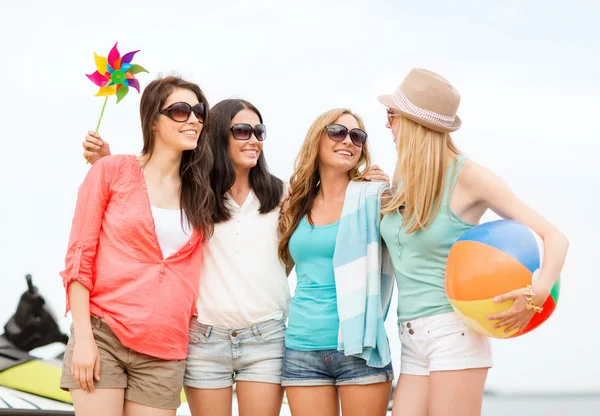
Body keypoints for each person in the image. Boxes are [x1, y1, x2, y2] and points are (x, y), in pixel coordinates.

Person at [378, 68, 569, 416]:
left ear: (415, 123)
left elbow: (555, 237)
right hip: (408, 334)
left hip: (454, 332)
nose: (387, 125)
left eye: (392, 116)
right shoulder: (404, 174)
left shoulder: (469, 176)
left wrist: (537, 293)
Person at [61, 75, 214, 416]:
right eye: (180, 110)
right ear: (153, 121)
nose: (193, 119)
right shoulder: (111, 171)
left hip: (166, 346)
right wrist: (84, 339)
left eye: (198, 110)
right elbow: (79, 257)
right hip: (103, 335)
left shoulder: (201, 191)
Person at [278, 108, 394, 416]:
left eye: (357, 136)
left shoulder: (373, 197)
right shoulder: (294, 204)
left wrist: (392, 193)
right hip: (301, 347)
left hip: (360, 348)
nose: (348, 141)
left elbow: (409, 242)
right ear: (317, 139)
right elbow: (276, 270)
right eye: (337, 132)